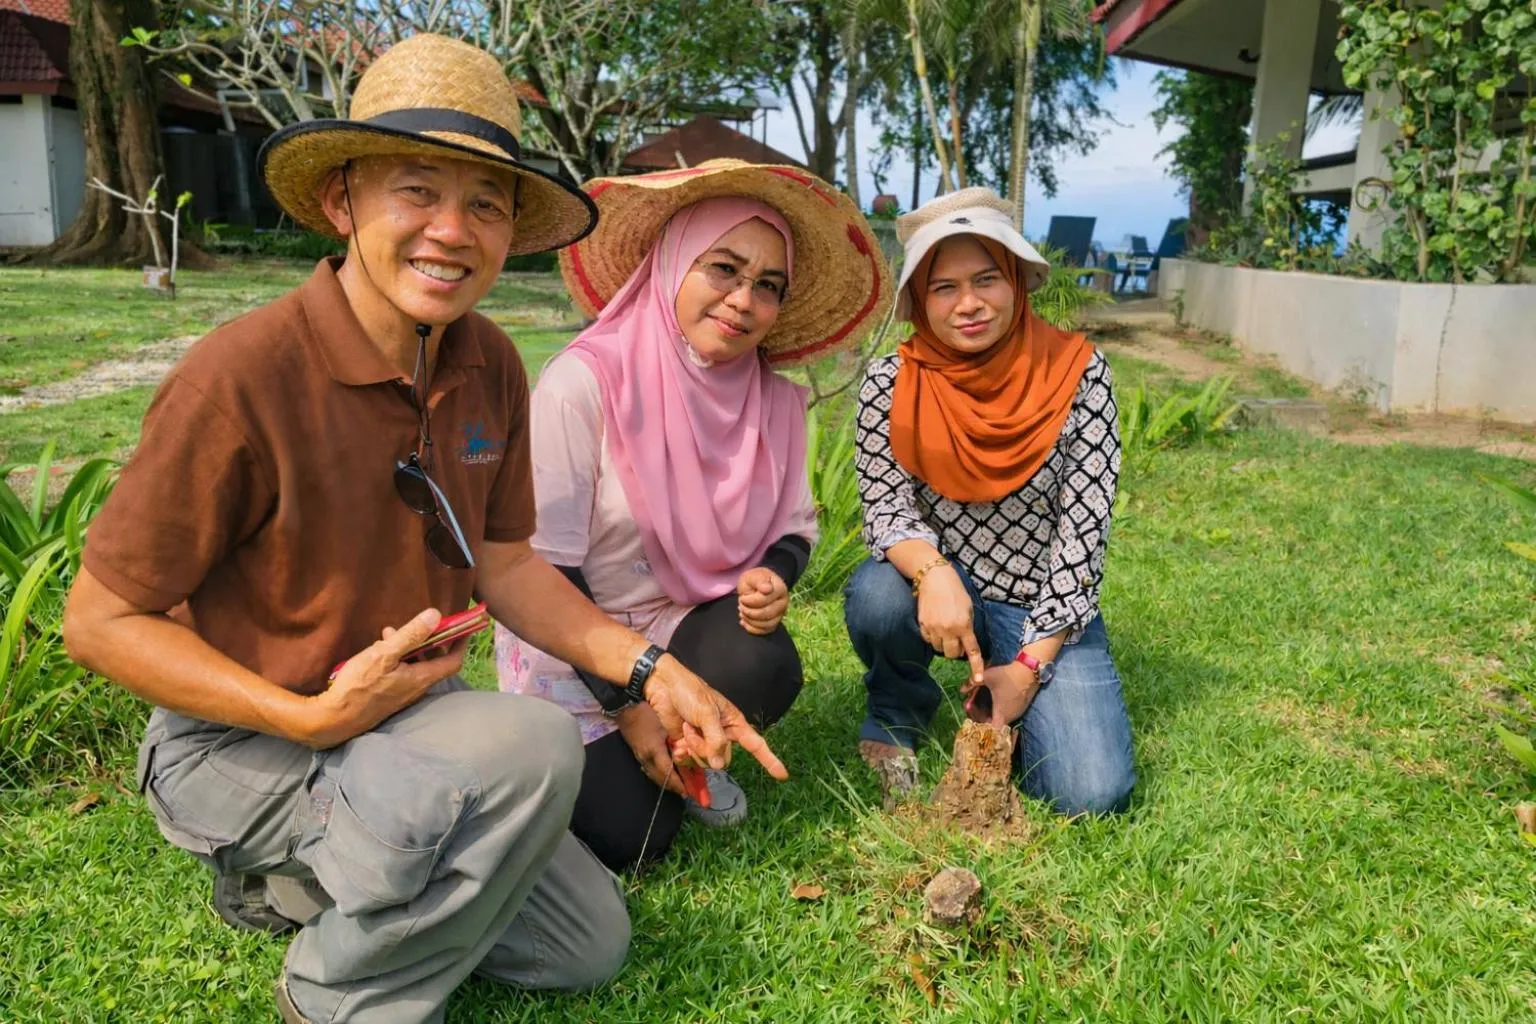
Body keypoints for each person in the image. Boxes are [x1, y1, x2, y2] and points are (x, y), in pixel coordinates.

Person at [61, 35, 785, 1024]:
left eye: (485, 202)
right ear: (341, 201)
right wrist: (303, 716)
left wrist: (651, 670)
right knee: (534, 745)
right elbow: (98, 622)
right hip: (239, 741)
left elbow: (506, 563)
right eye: (416, 189)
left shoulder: (484, 361)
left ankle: (297, 890)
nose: (452, 230)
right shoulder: (239, 377)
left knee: (588, 943)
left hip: (405, 723)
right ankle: (334, 992)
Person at [497, 159, 893, 871]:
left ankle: (688, 750)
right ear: (672, 263)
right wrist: (630, 700)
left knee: (762, 660)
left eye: (768, 287)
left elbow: (795, 528)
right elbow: (543, 568)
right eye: (724, 270)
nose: (744, 300)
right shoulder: (584, 383)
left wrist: (773, 576)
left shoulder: (774, 400)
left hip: (676, 619)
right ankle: (638, 751)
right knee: (631, 839)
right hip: (572, 637)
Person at [842, 187, 1135, 816]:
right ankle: (897, 708)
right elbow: (886, 504)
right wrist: (933, 572)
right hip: (937, 589)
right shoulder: (891, 382)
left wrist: (1028, 667)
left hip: (1041, 600)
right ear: (921, 300)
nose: (968, 304)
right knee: (877, 596)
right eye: (944, 288)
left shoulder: (1081, 374)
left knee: (1090, 793)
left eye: (985, 280)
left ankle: (1012, 701)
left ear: (1016, 281)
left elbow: (1081, 539)